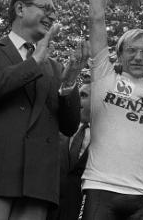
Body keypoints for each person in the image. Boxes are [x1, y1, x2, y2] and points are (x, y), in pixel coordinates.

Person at [0, 0, 87, 220]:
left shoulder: (56, 68)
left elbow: (69, 127)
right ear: (20, 8)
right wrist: (34, 61)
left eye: (55, 11)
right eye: (46, 8)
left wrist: (69, 81)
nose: (53, 16)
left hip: (36, 188)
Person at [81, 0, 143, 219]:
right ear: (118, 55)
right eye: (131, 50)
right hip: (101, 188)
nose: (138, 57)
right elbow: (96, 16)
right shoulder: (105, 76)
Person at [48, 82, 92, 220]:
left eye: (83, 95)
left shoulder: (107, 138)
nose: (77, 100)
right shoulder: (57, 129)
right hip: (48, 209)